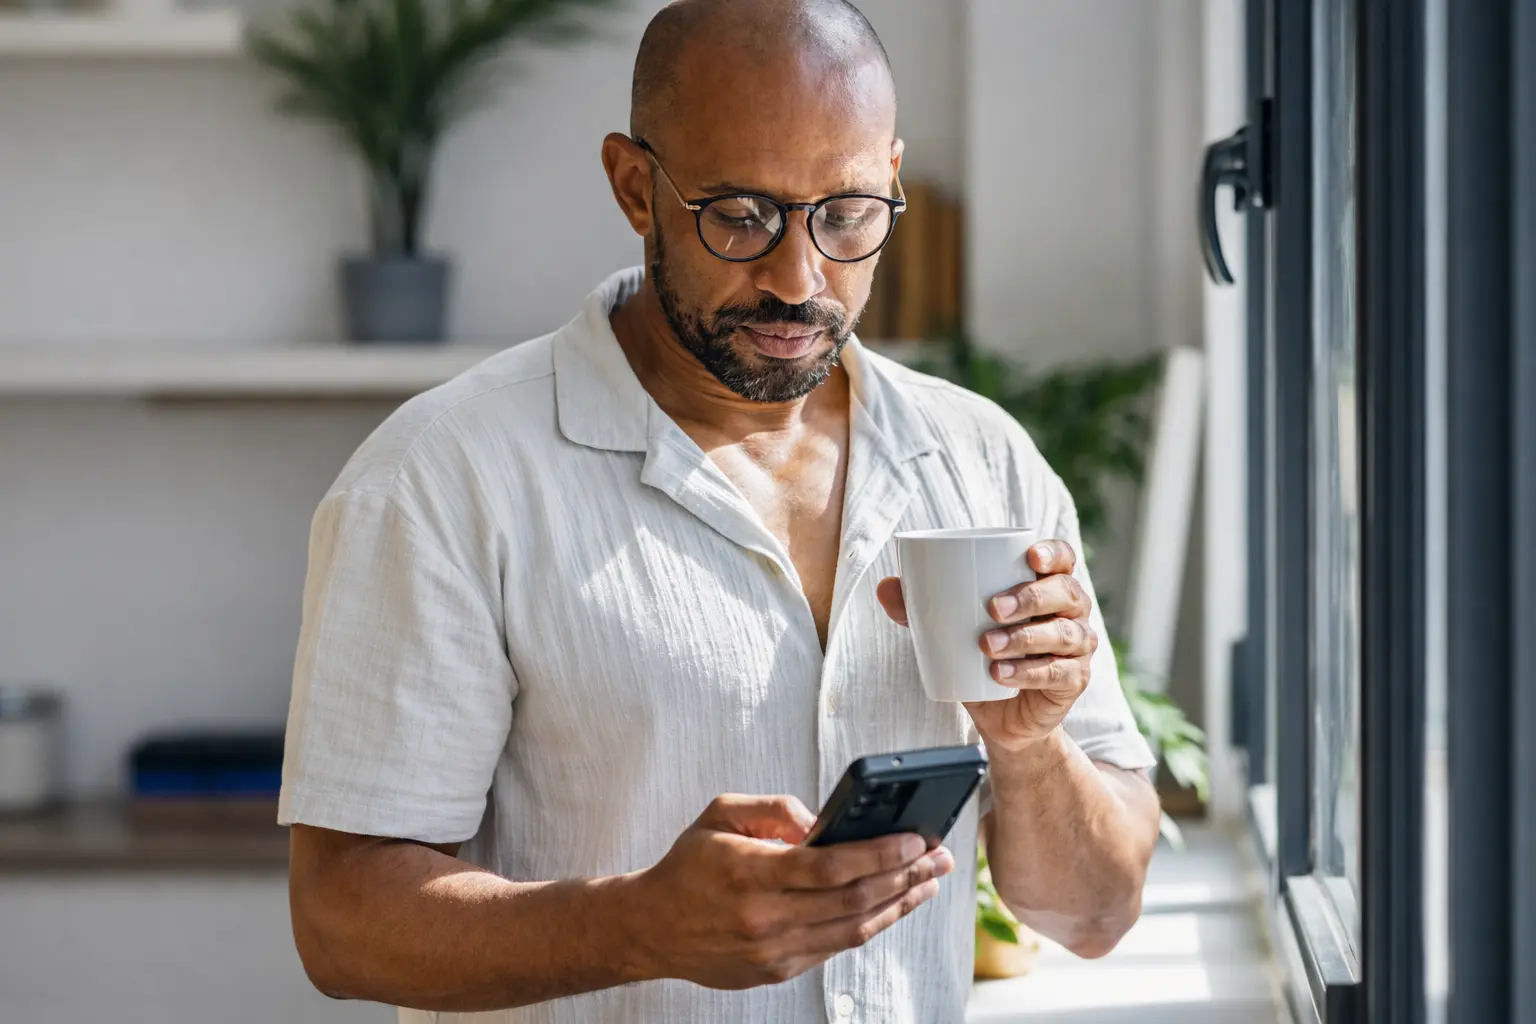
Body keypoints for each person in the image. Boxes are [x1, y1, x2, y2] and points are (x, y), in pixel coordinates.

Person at [279, 1, 1161, 1021]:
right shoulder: (444, 478)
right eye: (740, 214)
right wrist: (635, 925)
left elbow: (1094, 914)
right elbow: (340, 921)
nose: (798, 278)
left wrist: (1028, 742)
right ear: (634, 187)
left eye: (846, 214)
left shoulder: (982, 462)